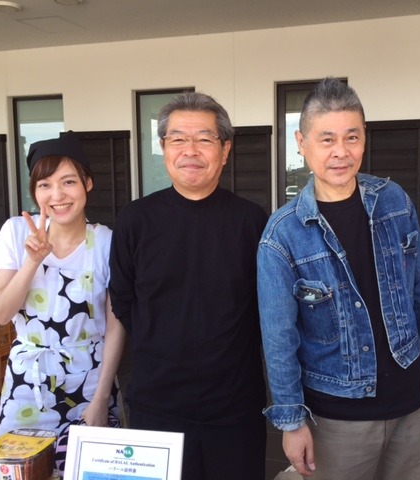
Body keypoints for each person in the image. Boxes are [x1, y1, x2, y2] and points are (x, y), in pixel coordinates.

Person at [257, 77, 420, 479]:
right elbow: (278, 337)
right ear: (301, 142)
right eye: (326, 139)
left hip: (408, 403)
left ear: (364, 139)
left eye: (352, 137)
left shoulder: (393, 201)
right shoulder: (283, 235)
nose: (341, 152)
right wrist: (291, 421)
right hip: (337, 414)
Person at [109, 91, 268, 480]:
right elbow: (123, 300)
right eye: (178, 139)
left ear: (225, 150)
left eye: (204, 139)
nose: (190, 150)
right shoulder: (135, 220)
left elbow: (266, 306)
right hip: (156, 402)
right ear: (164, 148)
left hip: (234, 405)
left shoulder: (252, 221)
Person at [0, 131, 125, 473]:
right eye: (45, 185)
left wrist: (101, 398)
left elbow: (115, 326)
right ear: (34, 191)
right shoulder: (15, 233)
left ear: (87, 184)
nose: (57, 195)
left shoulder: (107, 242)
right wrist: (32, 261)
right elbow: (1, 314)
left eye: (69, 182)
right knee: (20, 473)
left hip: (90, 381)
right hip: (27, 383)